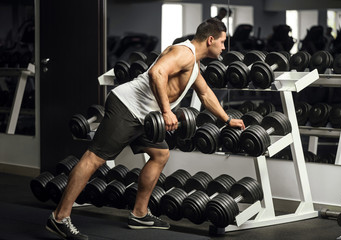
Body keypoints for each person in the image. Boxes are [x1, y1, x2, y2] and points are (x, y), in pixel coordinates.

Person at [45, 17, 245, 240]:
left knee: (160, 154)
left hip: (145, 117)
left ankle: (139, 214)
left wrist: (227, 120)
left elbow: (206, 94)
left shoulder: (194, 64)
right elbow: (156, 72)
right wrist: (167, 111)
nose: (224, 47)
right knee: (94, 159)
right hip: (126, 108)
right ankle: (59, 217)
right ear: (210, 40)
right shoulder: (184, 54)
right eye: (222, 41)